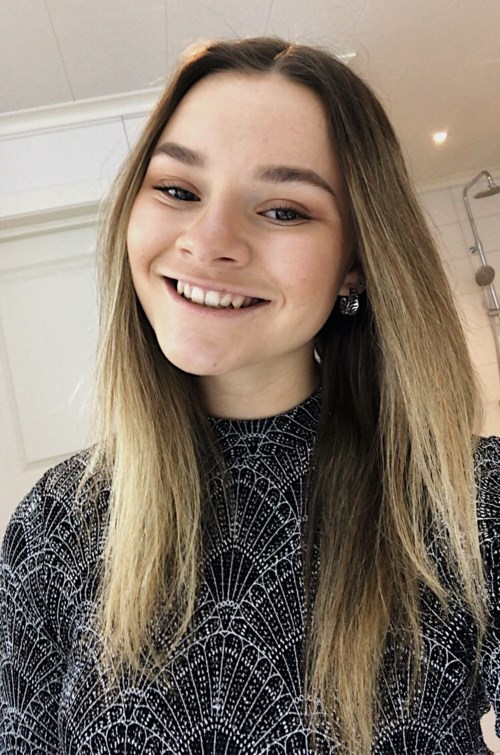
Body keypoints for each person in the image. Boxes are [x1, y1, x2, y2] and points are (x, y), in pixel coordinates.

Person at [0, 36, 499, 755]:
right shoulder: (53, 526)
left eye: (285, 210)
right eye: (178, 191)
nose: (208, 241)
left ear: (357, 263)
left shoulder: (469, 499)